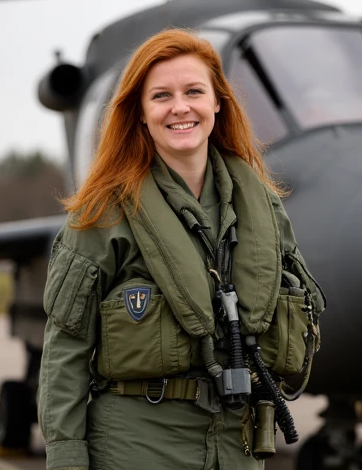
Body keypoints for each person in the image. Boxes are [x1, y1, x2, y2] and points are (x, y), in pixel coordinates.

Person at [38, 28, 324, 470]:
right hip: (138, 447)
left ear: (217, 102)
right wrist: (66, 458)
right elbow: (65, 353)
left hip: (237, 446)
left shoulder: (262, 207)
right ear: (140, 113)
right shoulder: (103, 214)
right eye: (161, 96)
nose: (180, 107)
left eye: (194, 91)